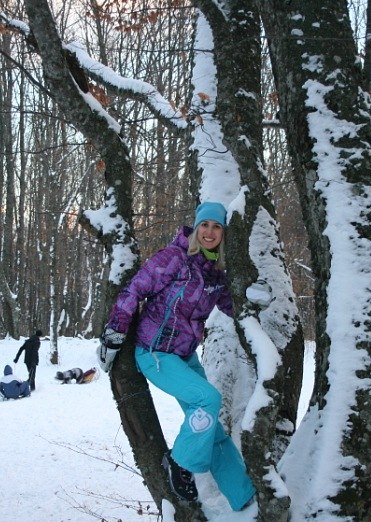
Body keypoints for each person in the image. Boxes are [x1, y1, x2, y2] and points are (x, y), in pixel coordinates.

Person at [97, 201, 256, 511]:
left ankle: (245, 499)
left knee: (212, 428)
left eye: (217, 227)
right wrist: (115, 332)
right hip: (155, 353)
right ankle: (179, 462)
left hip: (184, 356)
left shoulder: (215, 273)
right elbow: (134, 290)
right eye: (205, 225)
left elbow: (231, 307)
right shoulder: (174, 258)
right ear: (196, 228)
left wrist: (255, 303)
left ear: (223, 233)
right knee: (207, 400)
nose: (210, 232)